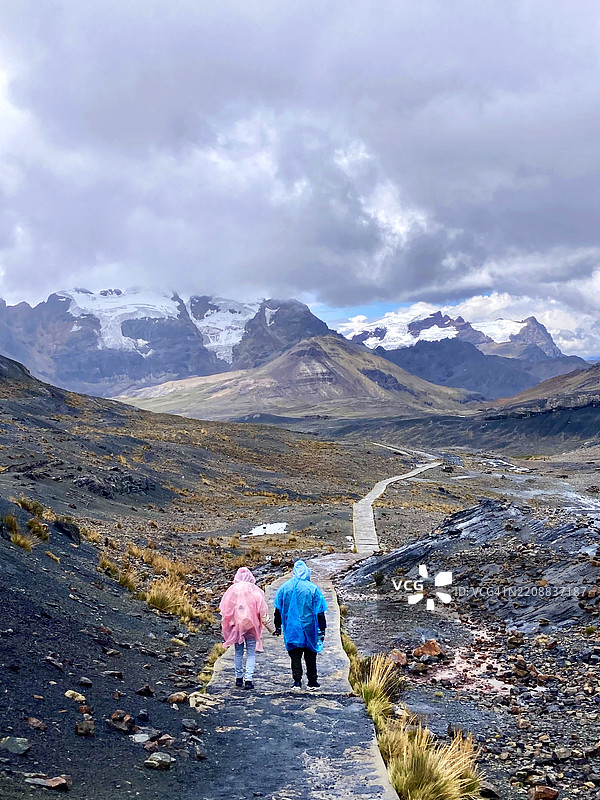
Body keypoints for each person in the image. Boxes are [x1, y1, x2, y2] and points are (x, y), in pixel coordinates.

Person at [273, 560, 327, 690]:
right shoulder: (313, 589)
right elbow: (320, 611)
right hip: (309, 627)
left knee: (295, 655)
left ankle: (297, 681)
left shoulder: (284, 588)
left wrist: (278, 626)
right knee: (310, 654)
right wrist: (322, 629)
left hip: (292, 628)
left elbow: (278, 609)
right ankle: (312, 681)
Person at [219, 566, 274, 689]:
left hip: (236, 626)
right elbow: (263, 613)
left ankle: (238, 678)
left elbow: (225, 610)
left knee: (238, 652)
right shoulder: (256, 591)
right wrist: (272, 629)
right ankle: (248, 679)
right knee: (250, 653)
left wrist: (227, 626)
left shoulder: (231, 591)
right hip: (251, 626)